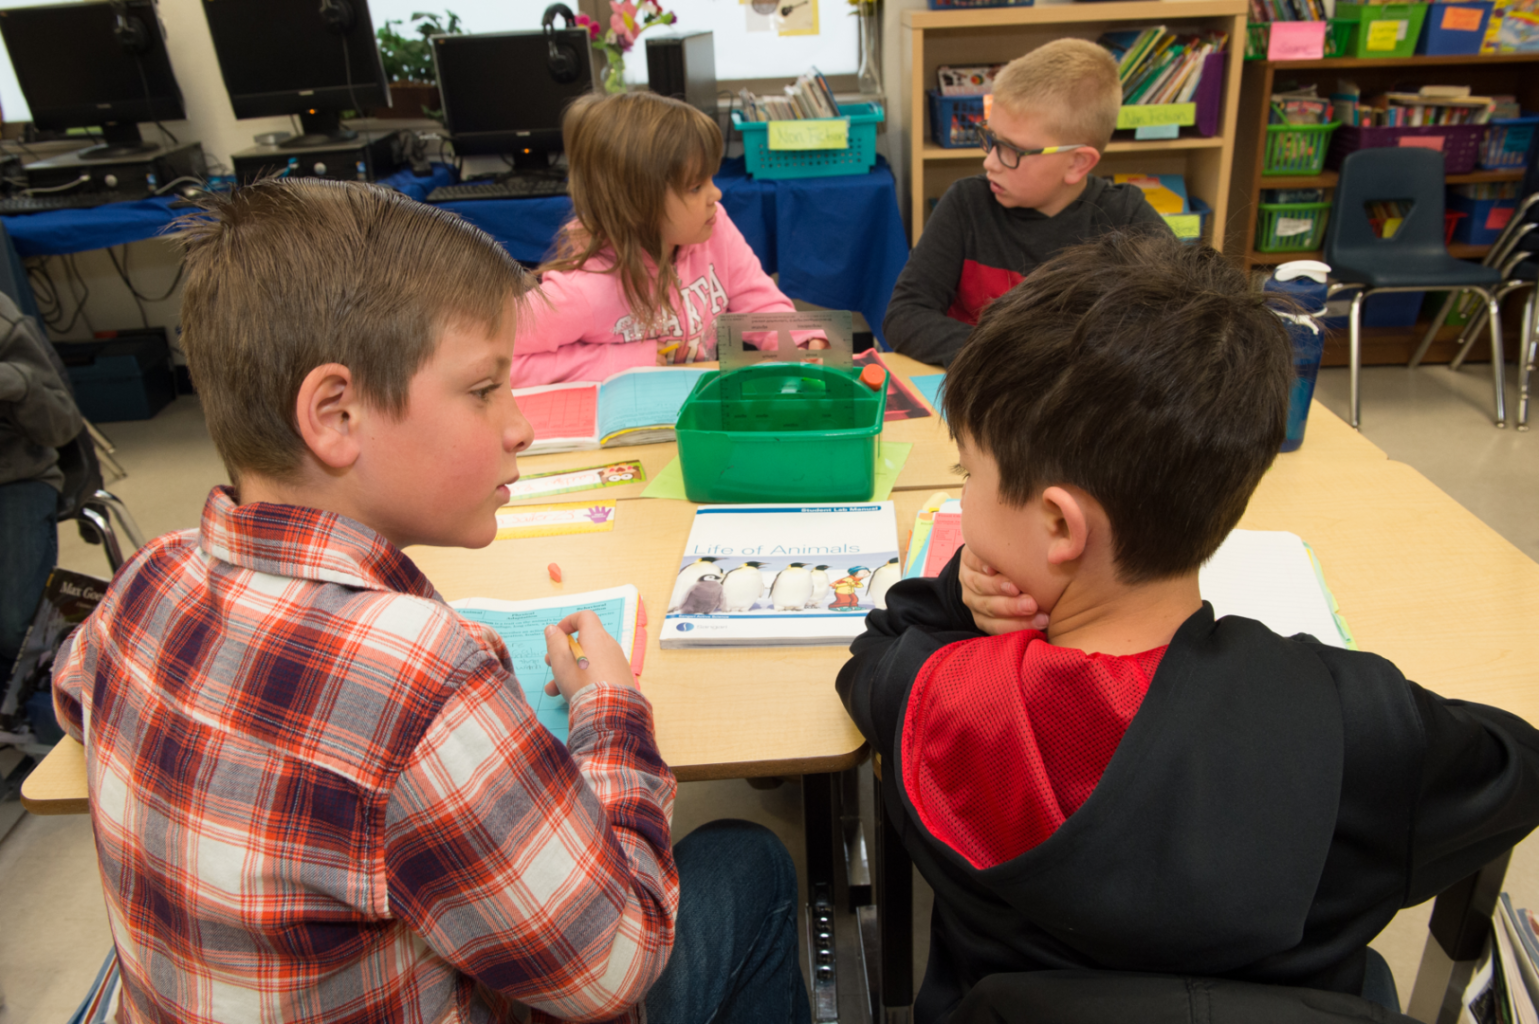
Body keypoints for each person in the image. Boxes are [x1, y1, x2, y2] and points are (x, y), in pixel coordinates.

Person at [52, 178, 809, 1024]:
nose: (518, 425)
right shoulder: (422, 675)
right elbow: (611, 967)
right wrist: (611, 713)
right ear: (335, 415)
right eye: (485, 389)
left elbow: (74, 690)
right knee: (750, 864)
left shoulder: (145, 579)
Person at [838, 232, 1539, 1023]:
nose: (966, 499)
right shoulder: (1360, 725)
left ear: (1058, 525)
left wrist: (959, 603)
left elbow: (876, 651)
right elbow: (1514, 763)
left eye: (970, 475)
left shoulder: (945, 698)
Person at [883, 39, 1171, 368]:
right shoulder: (967, 204)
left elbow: (1177, 326)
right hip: (978, 393)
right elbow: (904, 315)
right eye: (990, 138)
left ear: (1077, 163)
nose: (989, 162)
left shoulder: (1125, 219)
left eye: (1012, 150)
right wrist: (1023, 364)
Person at [511, 91, 795, 386]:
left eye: (711, 178)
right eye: (696, 187)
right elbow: (495, 358)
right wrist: (612, 362)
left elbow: (761, 305)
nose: (716, 194)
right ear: (636, 202)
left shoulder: (714, 228)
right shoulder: (581, 289)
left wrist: (803, 340)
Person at [1, 290, 82, 675]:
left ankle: (45, 701)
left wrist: (17, 382)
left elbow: (62, 424)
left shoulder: (4, 320)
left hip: (15, 475)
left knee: (14, 624)